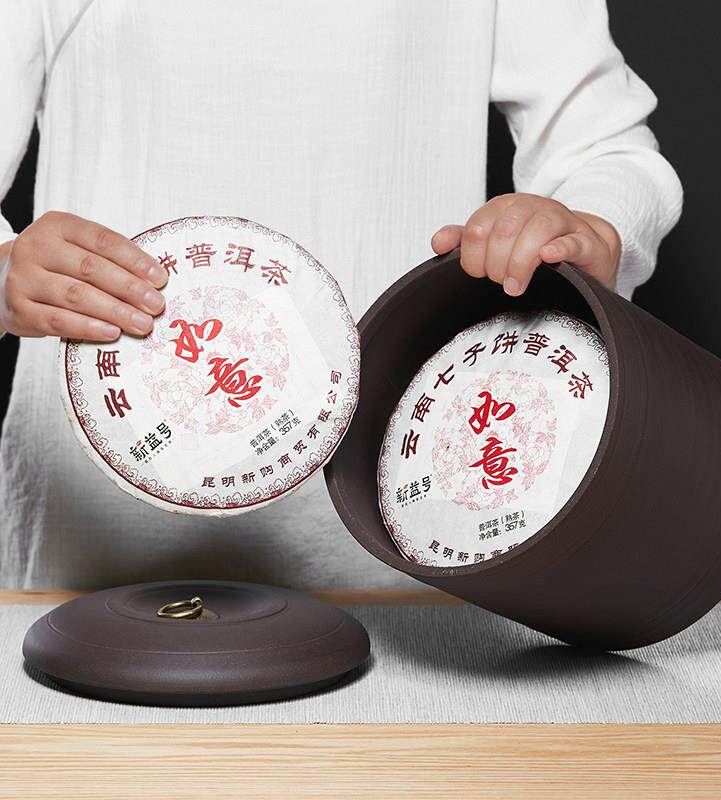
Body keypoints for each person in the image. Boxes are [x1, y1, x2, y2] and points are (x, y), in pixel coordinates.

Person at [0, 1, 682, 589]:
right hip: (90, 528)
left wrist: (587, 225)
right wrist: (7, 276)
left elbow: (606, 152)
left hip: (403, 526)